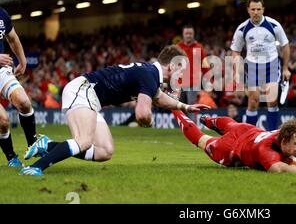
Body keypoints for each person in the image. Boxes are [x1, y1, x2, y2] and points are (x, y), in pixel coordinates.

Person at [19, 45, 210, 176]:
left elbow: (159, 97)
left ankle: (47, 145)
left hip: (89, 96)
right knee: (84, 141)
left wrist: (185, 107)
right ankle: (36, 167)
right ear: (172, 66)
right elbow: (143, 114)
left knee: (105, 151)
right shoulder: (149, 76)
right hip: (83, 90)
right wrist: (147, 119)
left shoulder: (150, 74)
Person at [172, 110, 296, 174]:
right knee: (202, 140)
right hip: (231, 148)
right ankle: (175, 109)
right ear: (284, 141)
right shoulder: (265, 149)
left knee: (229, 123)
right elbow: (278, 169)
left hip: (249, 130)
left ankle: (206, 119)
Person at [230, 0, 290, 131]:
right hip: (252, 66)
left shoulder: (274, 25)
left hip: (272, 65)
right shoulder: (242, 29)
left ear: (263, 9)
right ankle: (250, 138)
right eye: (253, 9)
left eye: (258, 9)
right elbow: (235, 51)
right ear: (248, 10)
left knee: (272, 99)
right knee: (253, 101)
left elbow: (285, 46)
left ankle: (272, 135)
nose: (256, 12)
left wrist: (285, 68)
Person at [0, 6, 39, 167]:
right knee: (2, 121)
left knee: (24, 102)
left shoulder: (1, 14)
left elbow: (13, 38)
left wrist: (22, 61)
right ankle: (11, 157)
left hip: (1, 70)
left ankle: (34, 146)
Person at [176, 25, 209, 119]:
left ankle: (192, 129)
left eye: (190, 33)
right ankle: (182, 128)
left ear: (193, 34)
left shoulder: (199, 47)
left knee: (191, 106)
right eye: (186, 33)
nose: (188, 35)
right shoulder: (178, 47)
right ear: (183, 34)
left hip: (193, 83)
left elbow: (205, 66)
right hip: (179, 83)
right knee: (179, 106)